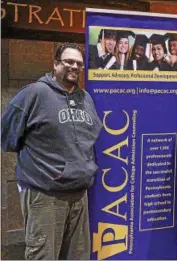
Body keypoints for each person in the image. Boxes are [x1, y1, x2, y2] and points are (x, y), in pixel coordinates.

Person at [1, 43, 103, 260]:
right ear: (56, 64)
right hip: (45, 195)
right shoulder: (34, 94)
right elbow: (7, 136)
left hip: (79, 196)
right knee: (43, 256)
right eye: (68, 61)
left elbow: (90, 138)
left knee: (78, 256)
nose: (74, 67)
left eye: (78, 63)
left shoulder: (85, 99)